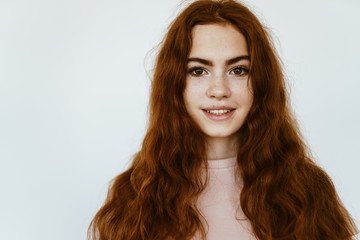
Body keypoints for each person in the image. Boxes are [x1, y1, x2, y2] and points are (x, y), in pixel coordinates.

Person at [88, 0, 359, 239]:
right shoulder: (133, 197)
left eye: (238, 70)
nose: (219, 89)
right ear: (174, 84)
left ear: (261, 81)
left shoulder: (308, 191)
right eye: (198, 71)